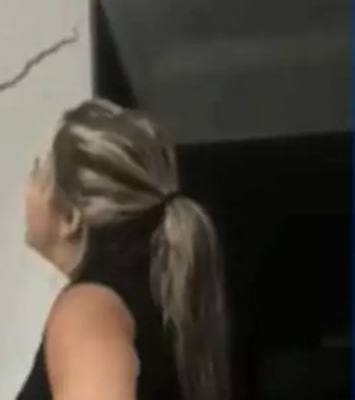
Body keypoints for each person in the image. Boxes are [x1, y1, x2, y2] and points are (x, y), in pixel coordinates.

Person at [17, 99, 229, 400]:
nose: (30, 185)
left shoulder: (89, 312)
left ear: (70, 218)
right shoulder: (153, 296)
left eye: (41, 172)